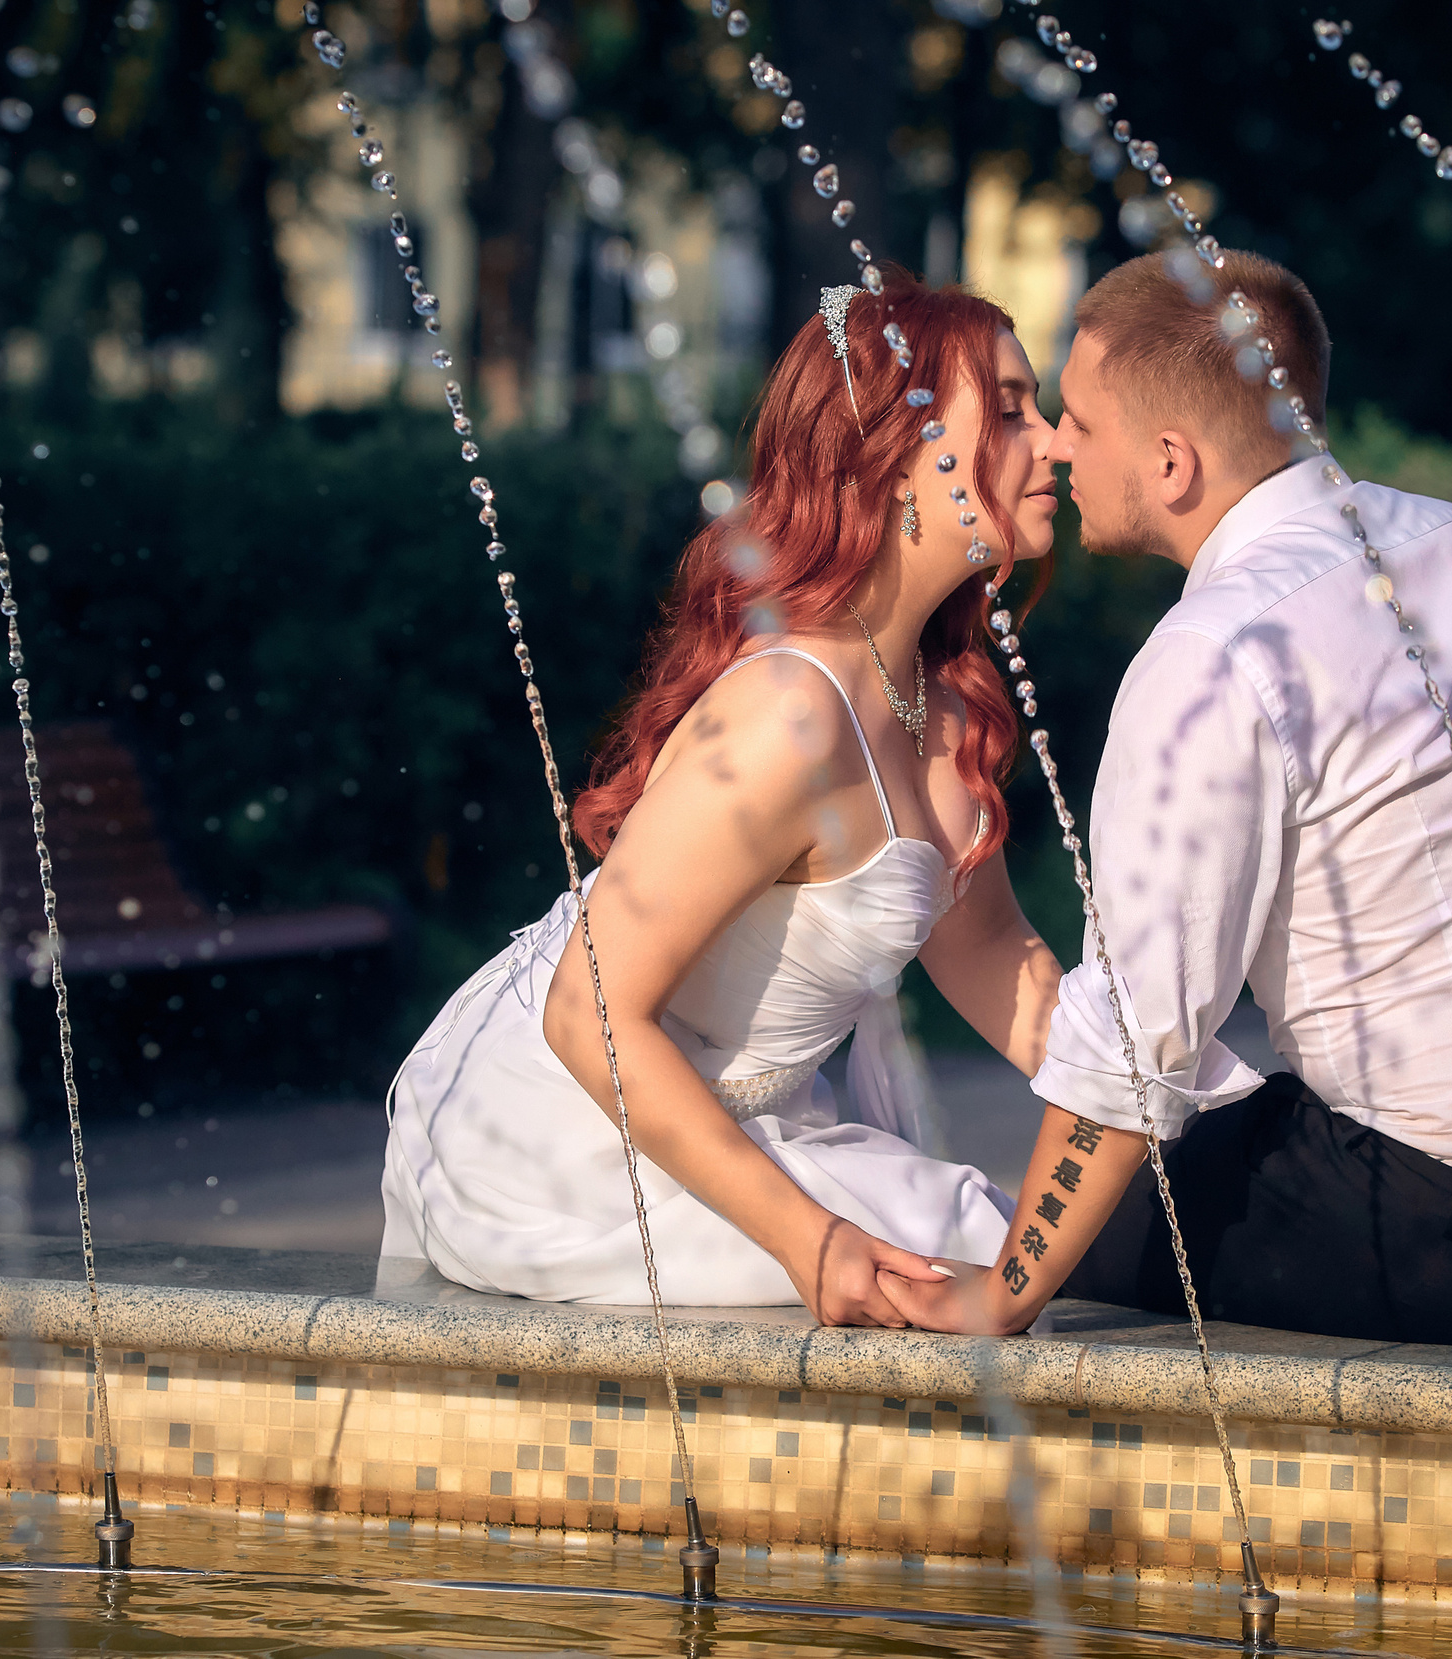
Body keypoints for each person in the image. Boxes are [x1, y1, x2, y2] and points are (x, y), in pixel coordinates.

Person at [883, 250, 1452, 1346]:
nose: (1057, 446)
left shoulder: (1215, 652)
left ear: (1169, 463)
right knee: (1221, 1127)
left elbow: (1142, 1044)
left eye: (1078, 422)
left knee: (1072, 1229)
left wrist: (1008, 1291)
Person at [381, 266, 1067, 1326]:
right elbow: (588, 1012)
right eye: (1013, 411)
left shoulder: (940, 706)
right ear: (894, 458)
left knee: (1023, 1242)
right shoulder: (783, 714)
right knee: (961, 1247)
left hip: (720, 1111)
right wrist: (808, 1240)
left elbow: (989, 955)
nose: (1055, 440)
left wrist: (1144, 1100)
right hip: (561, 1131)